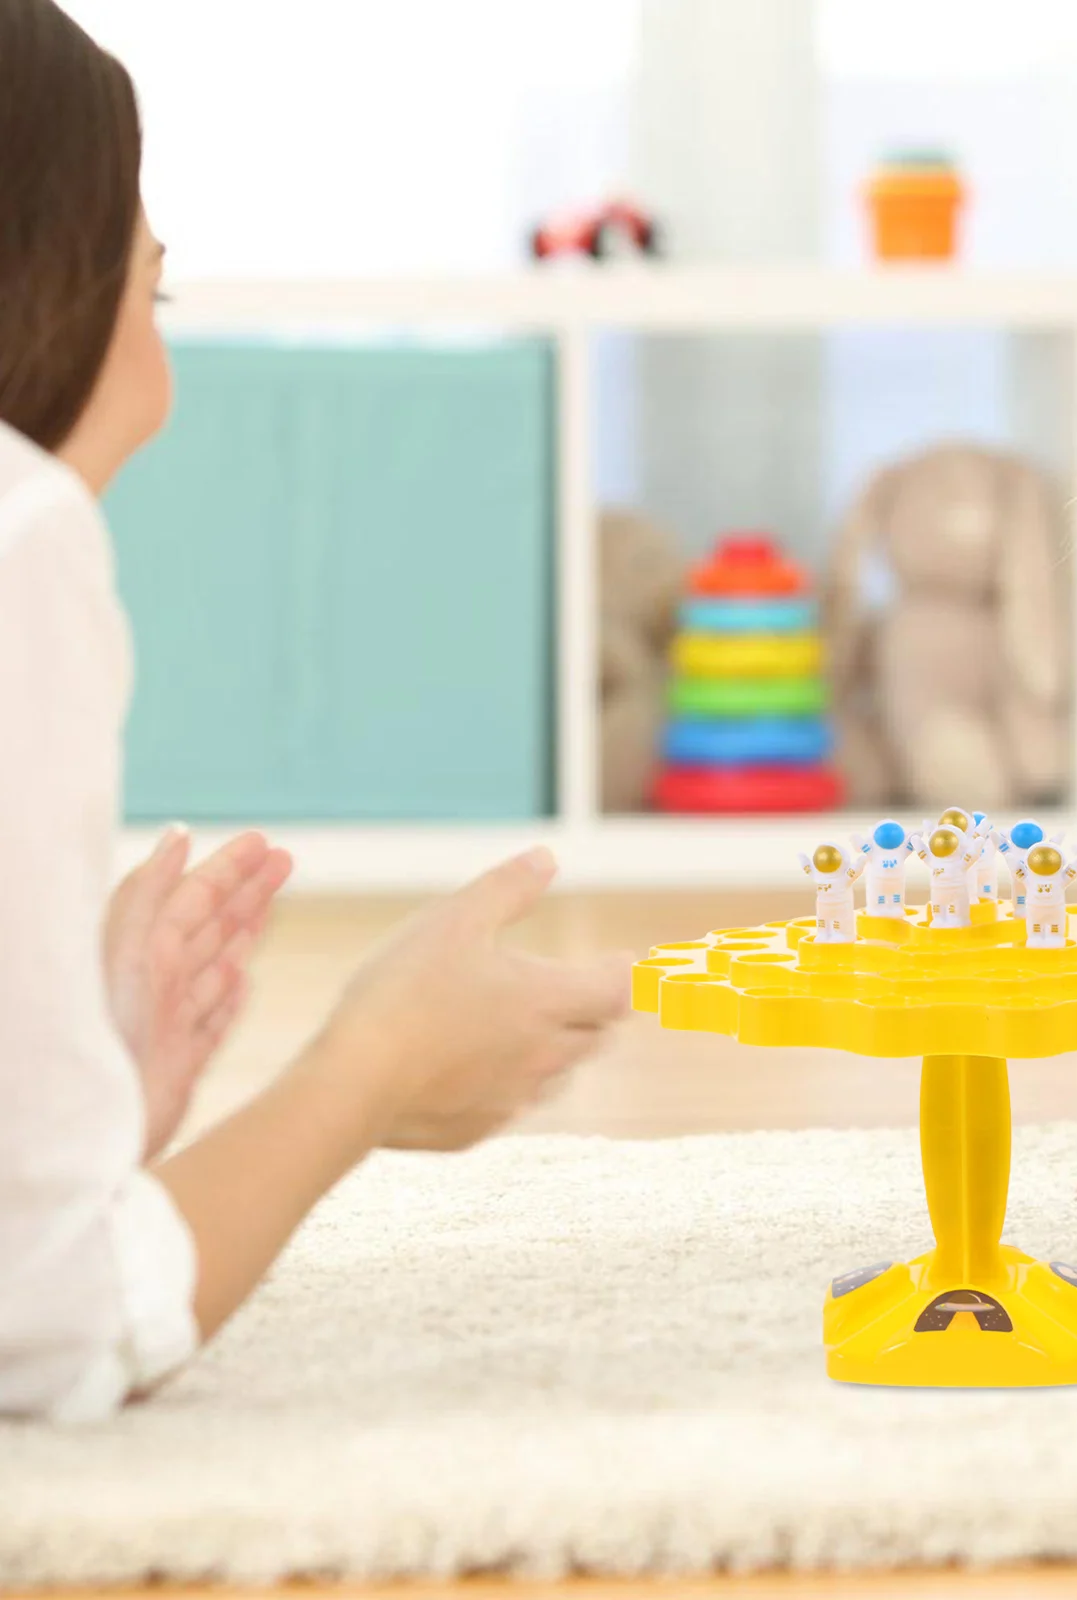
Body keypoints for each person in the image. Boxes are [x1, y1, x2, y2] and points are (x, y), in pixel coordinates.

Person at [0, 0, 630, 1422]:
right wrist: (367, 1069)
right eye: (147, 294)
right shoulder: (20, 531)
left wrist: (87, 1113)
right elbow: (47, 1335)